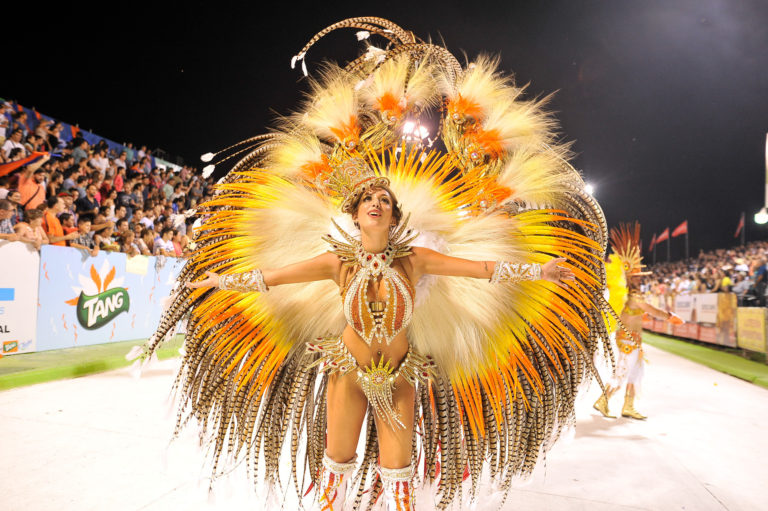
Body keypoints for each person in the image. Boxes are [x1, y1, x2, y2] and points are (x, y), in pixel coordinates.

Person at [141, 17, 613, 511]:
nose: (376, 202)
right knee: (334, 475)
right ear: (354, 212)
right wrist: (221, 279)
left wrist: (542, 271)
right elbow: (271, 278)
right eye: (368, 198)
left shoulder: (417, 260)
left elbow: (482, 270)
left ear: (393, 213)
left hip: (402, 373)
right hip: (346, 370)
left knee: (399, 481)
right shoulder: (335, 262)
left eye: (384, 200)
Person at [594, 223, 683, 421]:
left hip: (633, 340)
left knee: (635, 373)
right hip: (628, 340)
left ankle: (629, 406)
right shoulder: (634, 297)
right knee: (622, 372)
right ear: (631, 280)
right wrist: (670, 316)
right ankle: (603, 400)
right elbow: (653, 311)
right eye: (637, 279)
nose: (640, 281)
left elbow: (639, 313)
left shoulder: (631, 297)